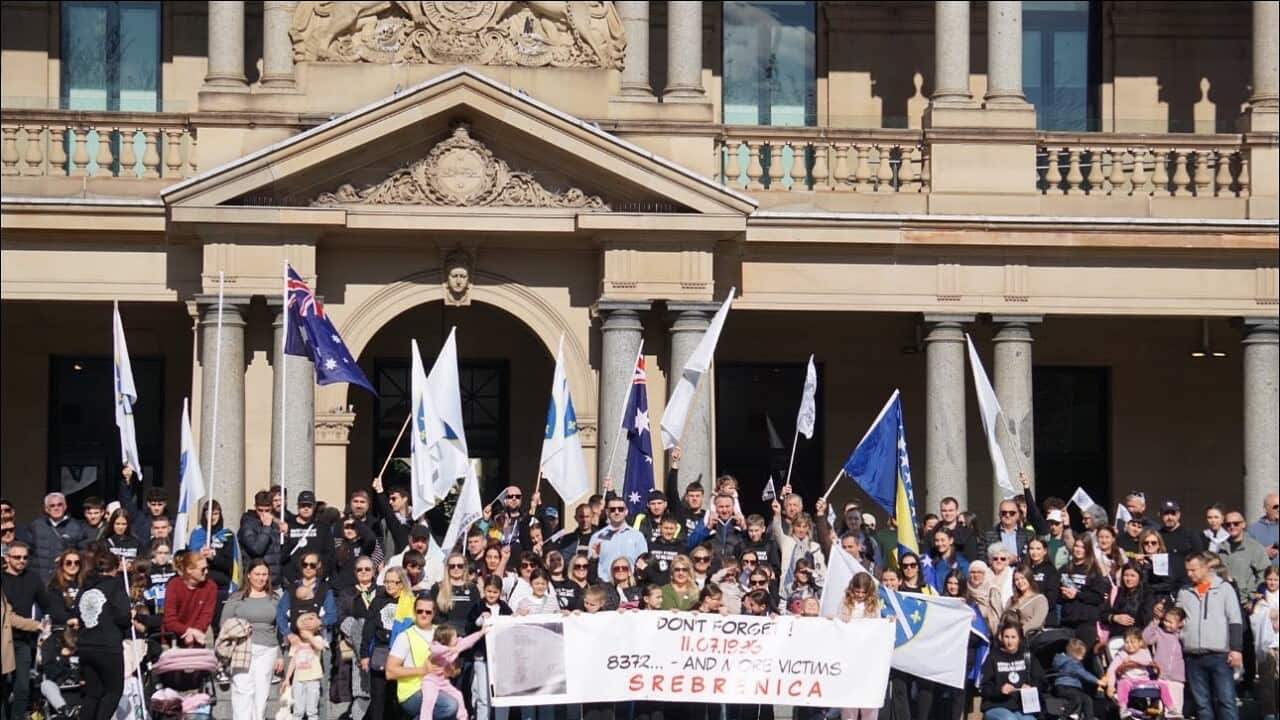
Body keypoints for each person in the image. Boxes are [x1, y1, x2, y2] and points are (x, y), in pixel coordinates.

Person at [1177, 551, 1244, 720]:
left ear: (1205, 567)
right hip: (1193, 656)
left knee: (1226, 701)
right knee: (1202, 704)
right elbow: (1178, 618)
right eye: (1187, 570)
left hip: (1219, 655)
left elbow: (1235, 620)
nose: (1189, 574)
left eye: (1193, 570)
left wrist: (1236, 649)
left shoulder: (1224, 588)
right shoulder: (1184, 592)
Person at [77, 540, 132, 720]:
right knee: (114, 691)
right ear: (114, 569)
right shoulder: (116, 585)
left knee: (93, 694)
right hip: (107, 647)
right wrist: (129, 618)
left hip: (85, 645)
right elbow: (122, 617)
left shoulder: (85, 586)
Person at [222, 559, 283, 720]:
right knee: (242, 690)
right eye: (257, 574)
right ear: (248, 575)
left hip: (268, 649)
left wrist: (279, 655)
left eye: (264, 574)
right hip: (241, 648)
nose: (261, 578)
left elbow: (280, 628)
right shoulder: (236, 598)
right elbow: (224, 624)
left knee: (261, 693)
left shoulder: (275, 599)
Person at [385, 596, 460, 720]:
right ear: (414, 612)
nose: (423, 615)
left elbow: (454, 667)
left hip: (438, 686)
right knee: (449, 705)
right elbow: (390, 672)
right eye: (420, 611)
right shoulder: (405, 636)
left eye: (428, 612)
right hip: (412, 692)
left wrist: (450, 667)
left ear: (434, 613)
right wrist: (422, 670)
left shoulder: (441, 633)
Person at [2, 540, 52, 719]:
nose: (21, 561)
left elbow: (47, 605)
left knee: (22, 686)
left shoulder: (33, 578)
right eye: (16, 557)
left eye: (25, 557)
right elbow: (8, 616)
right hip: (3, 637)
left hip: (23, 640)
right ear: (7, 558)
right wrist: (36, 625)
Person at [363, 566, 415, 720]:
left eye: (394, 582)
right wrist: (364, 654)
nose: (389, 585)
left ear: (402, 584)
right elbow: (368, 629)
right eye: (387, 581)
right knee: (378, 698)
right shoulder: (378, 601)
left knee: (397, 698)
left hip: (401, 656)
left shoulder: (411, 603)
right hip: (380, 652)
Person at [838, 573, 886, 720]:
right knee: (849, 701)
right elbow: (837, 625)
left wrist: (887, 623)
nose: (859, 595)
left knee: (868, 700)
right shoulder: (845, 602)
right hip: (849, 657)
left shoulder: (874, 604)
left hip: (868, 658)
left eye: (863, 593)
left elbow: (878, 627)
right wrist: (839, 620)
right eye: (857, 592)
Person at [188, 498, 239, 626]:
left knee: (219, 626)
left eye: (215, 513)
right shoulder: (196, 534)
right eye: (209, 513)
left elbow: (230, 565)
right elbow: (189, 561)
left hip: (220, 588)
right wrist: (200, 555)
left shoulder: (227, 535)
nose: (212, 517)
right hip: (200, 587)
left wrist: (213, 557)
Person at [467, 576, 512, 720]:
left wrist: (518, 616)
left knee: (502, 697)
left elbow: (512, 625)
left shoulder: (504, 607)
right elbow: (470, 628)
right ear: (484, 590)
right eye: (489, 591)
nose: (491, 595)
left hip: (501, 659)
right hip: (482, 658)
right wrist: (480, 619)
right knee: (483, 697)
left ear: (500, 593)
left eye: (495, 592)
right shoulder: (478, 606)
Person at [979, 622, 1044, 720]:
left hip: (1021, 707)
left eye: (1013, 637)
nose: (1009, 641)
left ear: (1020, 639)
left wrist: (1031, 687)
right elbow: (984, 688)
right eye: (1007, 637)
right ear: (1001, 637)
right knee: (1009, 719)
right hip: (996, 705)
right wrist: (1000, 690)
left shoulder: (1027, 656)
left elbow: (1040, 680)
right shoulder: (993, 657)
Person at [1059, 536, 1109, 660]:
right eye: (1076, 546)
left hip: (1086, 622)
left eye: (1082, 547)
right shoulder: (1064, 569)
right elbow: (1056, 595)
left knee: (1085, 658)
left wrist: (1077, 594)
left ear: (1088, 549)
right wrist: (1063, 595)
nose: (1078, 550)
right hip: (1068, 621)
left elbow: (1098, 597)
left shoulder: (1094, 571)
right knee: (1068, 658)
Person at [1100, 627, 1175, 710]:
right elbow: (1111, 669)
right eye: (1126, 642)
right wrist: (1110, 685)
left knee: (1163, 685)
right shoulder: (1122, 655)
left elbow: (1147, 661)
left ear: (1140, 643)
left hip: (1144, 680)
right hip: (1129, 681)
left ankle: (1170, 708)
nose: (1129, 645)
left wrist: (1132, 660)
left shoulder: (1144, 652)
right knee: (1122, 683)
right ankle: (1123, 708)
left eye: (1132, 642)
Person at [29, 492, 90, 583]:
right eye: (52, 506)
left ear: (65, 506)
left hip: (65, 580)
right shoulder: (36, 525)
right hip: (39, 579)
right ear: (46, 509)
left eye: (59, 505)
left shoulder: (77, 527)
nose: (56, 508)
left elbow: (84, 553)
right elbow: (27, 552)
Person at [164, 548, 217, 647]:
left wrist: (195, 632)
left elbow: (206, 615)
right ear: (189, 570)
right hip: (173, 638)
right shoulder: (174, 585)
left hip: (199, 635)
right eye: (202, 569)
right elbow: (170, 620)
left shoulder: (210, 586)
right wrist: (187, 631)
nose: (206, 572)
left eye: (207, 568)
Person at [1145, 601, 1188, 719]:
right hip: (1160, 677)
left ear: (1180, 623)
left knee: (1174, 711)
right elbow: (1146, 639)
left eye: (1170, 622)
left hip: (1176, 679)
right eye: (1165, 620)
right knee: (1157, 710)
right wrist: (1155, 622)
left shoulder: (1183, 636)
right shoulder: (1159, 632)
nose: (1166, 624)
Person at [1103, 562, 1155, 655]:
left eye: (1132, 576)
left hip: (1137, 643)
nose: (1129, 579)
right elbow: (1103, 615)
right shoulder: (1116, 592)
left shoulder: (1147, 594)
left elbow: (1147, 619)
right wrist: (1115, 618)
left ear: (1140, 577)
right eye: (1126, 575)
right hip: (1116, 643)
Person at [283, 611, 327, 720]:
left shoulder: (317, 639)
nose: (303, 633)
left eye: (306, 630)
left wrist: (310, 637)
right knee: (298, 710)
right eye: (302, 630)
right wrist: (287, 678)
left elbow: (320, 647)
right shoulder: (296, 643)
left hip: (313, 679)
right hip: (298, 680)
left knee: (312, 711)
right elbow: (293, 661)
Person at [589, 497, 647, 579]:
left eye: (620, 509)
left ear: (626, 511)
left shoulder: (637, 536)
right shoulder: (597, 537)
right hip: (605, 585)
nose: (616, 512)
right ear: (607, 512)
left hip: (630, 586)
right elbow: (591, 566)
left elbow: (643, 564)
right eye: (612, 509)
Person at [239, 490, 286, 584]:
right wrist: (266, 527)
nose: (264, 514)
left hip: (275, 582)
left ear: (272, 508)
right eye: (260, 510)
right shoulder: (247, 525)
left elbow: (280, 553)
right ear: (255, 507)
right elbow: (257, 549)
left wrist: (286, 534)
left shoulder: (275, 524)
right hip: (256, 582)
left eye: (267, 510)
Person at [1221, 510, 1270, 593]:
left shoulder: (1255, 548)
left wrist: (1253, 597)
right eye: (1228, 524)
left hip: (1246, 602)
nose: (1232, 526)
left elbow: (1264, 575)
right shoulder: (1220, 548)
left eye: (1236, 523)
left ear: (1243, 524)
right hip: (1225, 599)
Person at [1051, 638, 1100, 720]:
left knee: (1087, 699)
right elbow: (1084, 674)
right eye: (1081, 655)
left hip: (1071, 687)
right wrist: (1097, 680)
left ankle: (1089, 717)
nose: (1082, 658)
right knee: (1076, 698)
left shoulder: (1065, 660)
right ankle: (1064, 716)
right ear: (1073, 654)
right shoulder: (1072, 663)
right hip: (1064, 687)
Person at [982, 499, 1033, 564]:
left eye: (1012, 513)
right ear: (999, 514)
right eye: (1004, 513)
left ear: (1018, 515)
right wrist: (998, 560)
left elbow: (1033, 558)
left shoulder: (1028, 535)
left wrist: (1017, 559)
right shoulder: (987, 535)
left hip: (1020, 572)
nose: (1007, 515)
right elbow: (982, 559)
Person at [46, 547, 84, 627]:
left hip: (82, 627)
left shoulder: (85, 585)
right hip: (62, 628)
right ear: (62, 565)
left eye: (76, 563)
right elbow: (56, 612)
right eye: (68, 563)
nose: (73, 566)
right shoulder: (54, 586)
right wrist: (70, 620)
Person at [967, 560, 1005, 632]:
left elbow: (997, 617)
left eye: (980, 572)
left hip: (987, 631)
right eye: (973, 572)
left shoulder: (993, 591)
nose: (976, 575)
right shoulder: (965, 590)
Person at [930, 527, 970, 593]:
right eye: (937, 540)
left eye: (943, 540)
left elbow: (967, 583)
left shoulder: (961, 562)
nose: (939, 544)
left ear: (951, 540)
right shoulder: (934, 562)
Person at [1009, 567, 1048, 634]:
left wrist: (1018, 632)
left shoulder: (1040, 599)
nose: (1020, 582)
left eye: (1023, 578)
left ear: (1029, 578)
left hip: (1030, 638)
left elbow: (1037, 622)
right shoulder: (1011, 599)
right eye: (1016, 579)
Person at [1247, 492, 1279, 567]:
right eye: (1276, 507)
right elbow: (1246, 555)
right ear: (1266, 509)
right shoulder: (1253, 530)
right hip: (1265, 576)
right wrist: (1263, 553)